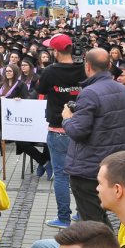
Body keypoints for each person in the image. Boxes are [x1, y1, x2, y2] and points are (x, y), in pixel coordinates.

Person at [61, 47, 125, 228]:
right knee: (99, 218)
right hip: (114, 164)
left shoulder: (90, 92)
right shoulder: (123, 90)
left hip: (88, 167)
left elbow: (79, 131)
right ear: (110, 65)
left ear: (87, 66)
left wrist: (67, 119)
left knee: (92, 221)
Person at [35, 34, 86, 227]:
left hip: (58, 128)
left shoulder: (50, 71)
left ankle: (63, 218)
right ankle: (81, 214)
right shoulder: (83, 68)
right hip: (81, 127)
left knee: (62, 174)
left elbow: (40, 89)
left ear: (56, 52)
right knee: (81, 173)